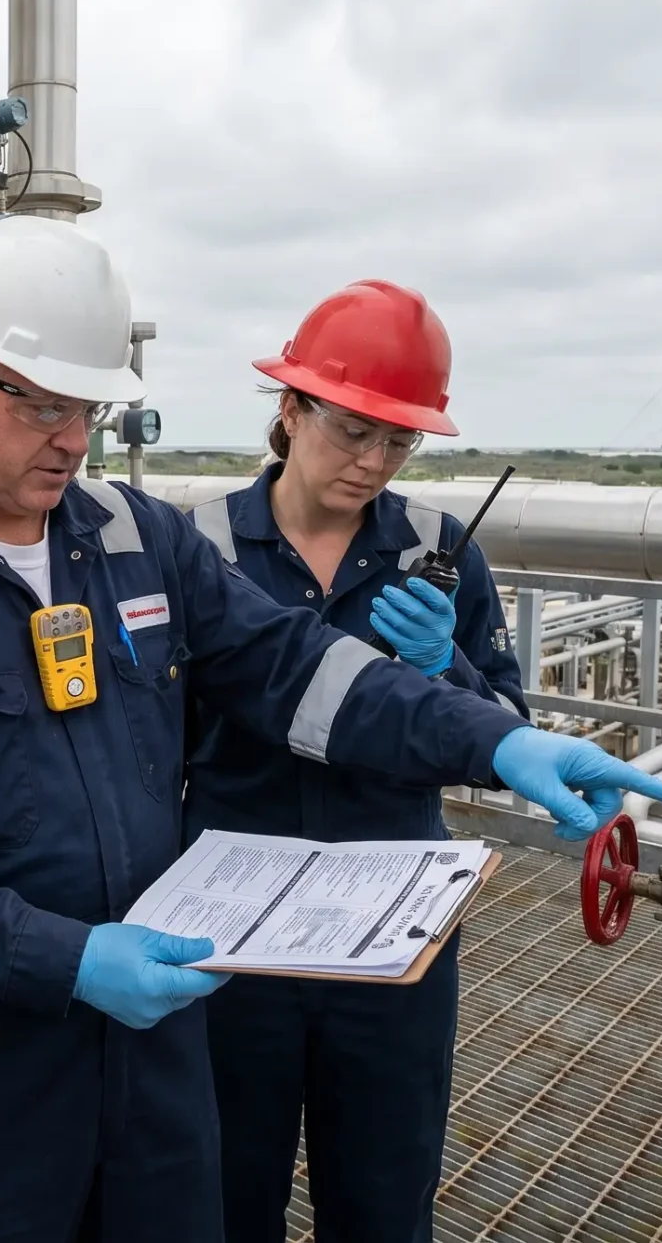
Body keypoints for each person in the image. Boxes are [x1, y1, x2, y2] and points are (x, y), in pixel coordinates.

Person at [0, 218, 662, 1242]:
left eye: (87, 407)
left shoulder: (135, 540)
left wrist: (495, 740)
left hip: (156, 1051)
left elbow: (296, 666)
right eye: (42, 407)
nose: (72, 439)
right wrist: (63, 959)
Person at [185, 279, 524, 1242]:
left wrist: (440, 662)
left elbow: (504, 733)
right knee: (218, 1193)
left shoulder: (437, 549)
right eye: (350, 431)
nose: (373, 462)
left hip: (390, 932)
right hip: (230, 928)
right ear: (289, 411)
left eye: (399, 441)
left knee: (382, 1194)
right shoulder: (198, 548)